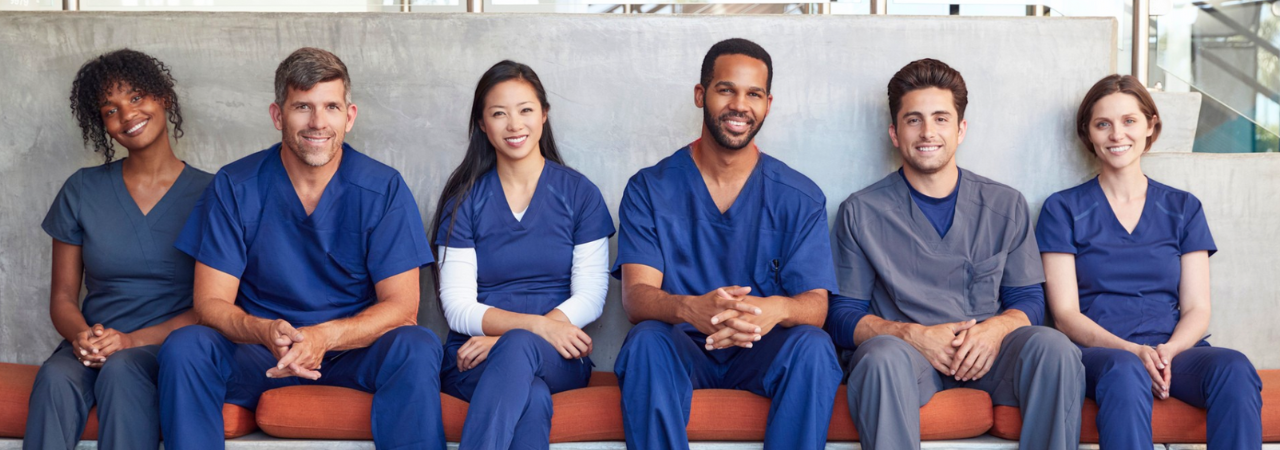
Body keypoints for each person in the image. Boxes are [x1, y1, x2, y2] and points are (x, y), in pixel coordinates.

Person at [156, 47, 444, 450]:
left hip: (350, 353)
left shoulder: (383, 188)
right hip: (260, 351)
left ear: (350, 115)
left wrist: (324, 338)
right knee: (186, 347)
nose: (318, 122)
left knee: (418, 344)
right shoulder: (235, 185)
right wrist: (262, 330)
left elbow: (402, 308)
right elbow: (209, 302)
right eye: (302, 107)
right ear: (278, 115)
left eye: (330, 106)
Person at [826, 58, 1084, 450]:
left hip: (990, 358)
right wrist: (912, 335)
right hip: (907, 361)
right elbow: (844, 316)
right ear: (895, 133)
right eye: (913, 120)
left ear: (961, 129)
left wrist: (994, 330)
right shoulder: (861, 211)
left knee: (1054, 348)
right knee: (879, 359)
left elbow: (1028, 300)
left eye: (941, 118)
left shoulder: (1005, 204)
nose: (928, 132)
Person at [611, 38, 843, 450]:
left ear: (768, 104)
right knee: (646, 340)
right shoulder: (650, 189)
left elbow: (817, 305)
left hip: (761, 351)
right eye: (726, 89)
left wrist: (778, 309)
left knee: (814, 347)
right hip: (681, 349)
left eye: (753, 94)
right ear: (701, 95)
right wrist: (689, 308)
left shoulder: (798, 196)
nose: (740, 105)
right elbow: (636, 297)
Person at [1037, 74, 1262, 449]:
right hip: (1102, 355)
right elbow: (1065, 315)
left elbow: (1197, 308)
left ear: (1150, 126)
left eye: (1129, 121)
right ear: (1087, 133)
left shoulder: (1183, 208)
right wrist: (1131, 351)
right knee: (1126, 372)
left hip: (1173, 352)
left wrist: (1168, 351)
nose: (1116, 135)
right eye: (1102, 124)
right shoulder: (1062, 209)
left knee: (1235, 368)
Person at [25, 49, 213, 450]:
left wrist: (131, 341)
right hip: (91, 343)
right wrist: (82, 338)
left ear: (162, 96)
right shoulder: (82, 189)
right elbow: (62, 296)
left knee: (123, 369)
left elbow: (215, 306)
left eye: (135, 97)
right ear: (102, 124)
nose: (127, 115)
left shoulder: (213, 194)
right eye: (110, 110)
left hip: (164, 347)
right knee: (55, 377)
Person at [433, 60, 614, 450]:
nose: (514, 125)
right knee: (530, 398)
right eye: (499, 113)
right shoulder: (463, 201)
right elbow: (457, 307)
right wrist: (537, 327)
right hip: (472, 356)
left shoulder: (581, 195)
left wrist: (513, 338)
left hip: (557, 355)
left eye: (526, 110)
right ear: (482, 123)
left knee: (517, 348)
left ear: (544, 115)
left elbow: (592, 295)